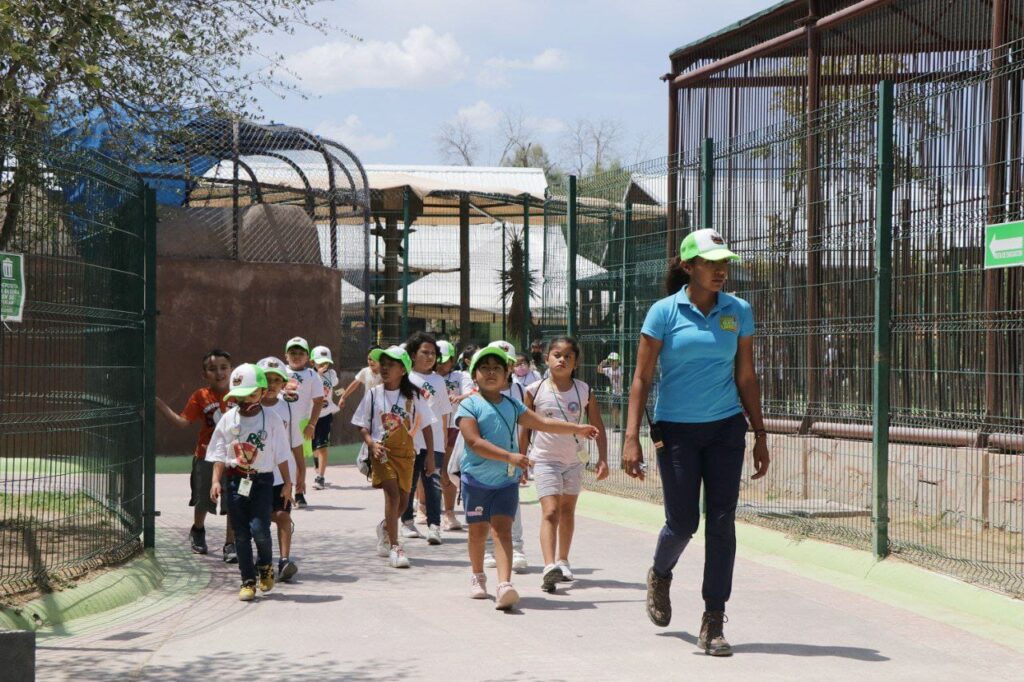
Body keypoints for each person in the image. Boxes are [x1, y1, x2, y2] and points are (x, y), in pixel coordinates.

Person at [621, 228, 770, 657]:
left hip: (726, 429)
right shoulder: (663, 313)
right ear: (689, 266)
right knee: (683, 522)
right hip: (677, 431)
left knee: (722, 523)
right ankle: (660, 573)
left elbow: (745, 376)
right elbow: (641, 379)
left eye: (724, 262)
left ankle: (714, 620)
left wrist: (759, 434)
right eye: (711, 263)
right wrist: (631, 437)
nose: (721, 270)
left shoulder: (738, 311)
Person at [457, 346, 598, 610]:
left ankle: (504, 585)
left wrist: (577, 427)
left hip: (505, 481)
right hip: (476, 480)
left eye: (496, 368)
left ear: (506, 374)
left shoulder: (512, 404)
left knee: (503, 529)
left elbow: (543, 423)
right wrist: (509, 456)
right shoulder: (469, 405)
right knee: (478, 531)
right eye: (484, 368)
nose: (490, 372)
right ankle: (477, 576)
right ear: (474, 374)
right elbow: (474, 442)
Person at [520, 336, 609, 593]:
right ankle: (549, 566)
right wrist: (521, 460)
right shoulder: (534, 390)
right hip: (545, 460)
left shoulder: (584, 390)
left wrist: (602, 457)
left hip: (574, 461)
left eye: (568, 356)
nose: (562, 359)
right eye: (556, 354)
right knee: (550, 511)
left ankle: (563, 560)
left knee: (568, 511)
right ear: (547, 358)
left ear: (576, 362)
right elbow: (525, 427)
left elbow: (597, 425)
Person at [207, 364, 294, 601]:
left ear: (263, 392)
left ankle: (265, 565)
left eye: (252, 394)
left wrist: (288, 483)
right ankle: (247, 580)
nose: (246, 400)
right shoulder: (228, 419)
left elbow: (283, 454)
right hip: (235, 481)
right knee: (241, 534)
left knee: (260, 530)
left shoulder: (272, 419)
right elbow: (219, 452)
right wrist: (216, 480)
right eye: (241, 395)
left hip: (262, 481)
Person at [351, 346, 435, 569]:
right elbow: (362, 424)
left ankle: (386, 528)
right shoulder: (373, 393)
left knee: (404, 501)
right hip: (382, 453)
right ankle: (396, 547)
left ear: (403, 369)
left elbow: (426, 426)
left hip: (408, 455)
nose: (385, 368)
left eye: (391, 364)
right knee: (393, 495)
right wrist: (371, 444)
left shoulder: (414, 395)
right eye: (383, 364)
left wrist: (430, 457)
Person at [155, 349, 237, 562]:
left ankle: (231, 543)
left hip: (234, 457)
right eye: (212, 369)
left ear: (231, 370)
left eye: (223, 367)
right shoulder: (200, 396)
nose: (219, 373)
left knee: (234, 501)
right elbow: (183, 422)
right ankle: (198, 530)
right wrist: (158, 404)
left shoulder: (241, 394)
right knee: (202, 498)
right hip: (206, 456)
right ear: (204, 374)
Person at [400, 332, 452, 545]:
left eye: (433, 354)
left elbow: (444, 411)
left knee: (433, 484)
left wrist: (445, 437)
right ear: (413, 354)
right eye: (425, 352)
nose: (430, 357)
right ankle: (407, 522)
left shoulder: (439, 381)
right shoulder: (405, 378)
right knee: (409, 484)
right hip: (411, 441)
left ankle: (434, 526)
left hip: (435, 442)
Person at [257, 356, 305, 582]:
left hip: (282, 477)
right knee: (259, 519)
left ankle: (284, 561)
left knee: (283, 516)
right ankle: (261, 561)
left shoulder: (288, 407)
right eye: (267, 379)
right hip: (257, 476)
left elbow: (296, 443)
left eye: (277, 380)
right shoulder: (250, 408)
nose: (272, 384)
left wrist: (300, 475)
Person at [483, 340, 528, 572]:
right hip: (485, 459)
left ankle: (517, 547)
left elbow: (524, 426)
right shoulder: (480, 390)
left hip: (511, 458)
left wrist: (521, 455)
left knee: (513, 502)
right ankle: (489, 547)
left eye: (506, 363)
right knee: (486, 503)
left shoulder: (519, 390)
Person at [436, 340, 473, 530]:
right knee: (426, 471)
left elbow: (471, 392)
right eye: (438, 360)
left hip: (453, 428)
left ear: (452, 360)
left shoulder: (461, 376)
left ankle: (449, 513)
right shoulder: (427, 377)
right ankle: (423, 508)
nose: (441, 365)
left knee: (446, 470)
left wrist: (458, 397)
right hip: (431, 427)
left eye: (445, 361)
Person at [283, 337, 323, 508]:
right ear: (286, 355)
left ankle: (299, 493)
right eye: (293, 352)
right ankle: (285, 491)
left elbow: (319, 401)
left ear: (307, 357)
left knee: (299, 461)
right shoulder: (280, 372)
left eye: (301, 353)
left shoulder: (312, 375)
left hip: (301, 424)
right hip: (280, 423)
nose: (296, 356)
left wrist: (311, 424)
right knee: (282, 459)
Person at [311, 345, 339, 490]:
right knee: (314, 448)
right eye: (320, 362)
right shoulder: (309, 374)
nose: (323, 365)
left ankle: (320, 477)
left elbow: (335, 384)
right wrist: (317, 374)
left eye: (326, 362)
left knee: (322, 446)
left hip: (325, 414)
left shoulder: (331, 374)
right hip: (310, 416)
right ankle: (316, 462)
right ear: (312, 362)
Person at [597, 352, 624, 431]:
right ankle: (616, 425)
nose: (612, 362)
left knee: (621, 410)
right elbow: (599, 370)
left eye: (614, 361)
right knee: (614, 409)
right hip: (615, 392)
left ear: (618, 361)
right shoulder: (608, 370)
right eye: (611, 361)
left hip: (623, 392)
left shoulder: (621, 369)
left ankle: (624, 425)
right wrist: (603, 362)